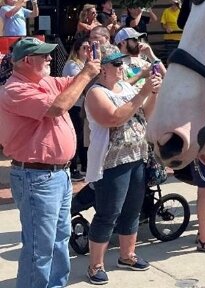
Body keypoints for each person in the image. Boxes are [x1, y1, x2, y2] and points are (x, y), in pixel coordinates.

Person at [0, 37, 100, 288]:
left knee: (58, 240)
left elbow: (76, 85)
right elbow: (59, 106)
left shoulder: (45, 81)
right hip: (37, 177)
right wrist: (86, 73)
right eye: (44, 55)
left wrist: (94, 65)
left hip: (57, 176)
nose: (49, 59)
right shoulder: (15, 89)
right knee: (40, 248)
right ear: (26, 61)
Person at [84, 44, 161, 284]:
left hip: (136, 155)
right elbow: (112, 118)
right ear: (103, 69)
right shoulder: (96, 93)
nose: (122, 67)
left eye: (122, 63)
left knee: (133, 210)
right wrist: (142, 93)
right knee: (108, 213)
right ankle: (95, 265)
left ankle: (127, 255)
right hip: (111, 161)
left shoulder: (126, 86)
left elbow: (145, 114)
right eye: (117, 64)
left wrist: (153, 94)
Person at [62, 37, 92, 182]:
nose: (87, 51)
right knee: (77, 137)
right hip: (75, 105)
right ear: (77, 50)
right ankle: (73, 168)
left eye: (89, 48)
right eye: (84, 48)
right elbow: (82, 84)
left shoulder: (85, 64)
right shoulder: (73, 65)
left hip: (84, 105)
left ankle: (84, 166)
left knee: (84, 137)